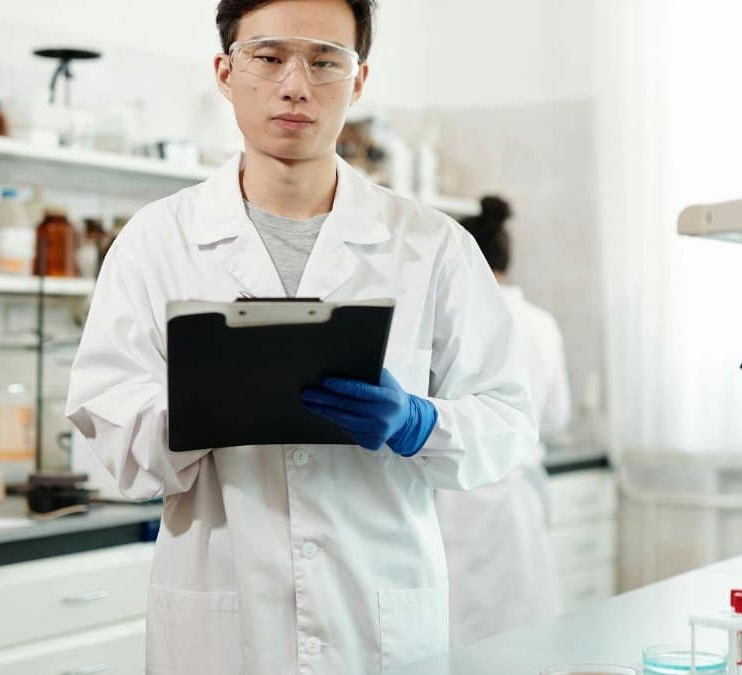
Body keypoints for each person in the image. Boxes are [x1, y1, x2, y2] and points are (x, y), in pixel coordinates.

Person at [64, 1, 537, 673]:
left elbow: (510, 422)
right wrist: (198, 406)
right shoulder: (154, 241)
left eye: (324, 61)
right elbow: (111, 437)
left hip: (377, 623)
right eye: (268, 56)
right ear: (226, 71)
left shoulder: (433, 247)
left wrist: (419, 422)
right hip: (219, 624)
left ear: (360, 80)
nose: (295, 84)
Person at [435, 195, 572, 645]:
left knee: (463, 639)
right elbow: (555, 416)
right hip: (517, 497)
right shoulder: (540, 323)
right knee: (526, 633)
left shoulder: (454, 320)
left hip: (460, 498)